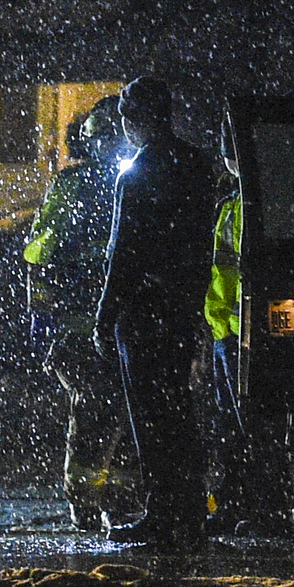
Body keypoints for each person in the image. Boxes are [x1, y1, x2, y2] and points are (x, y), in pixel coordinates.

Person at [95, 76, 221, 549]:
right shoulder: (195, 164)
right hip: (182, 307)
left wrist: (105, 317)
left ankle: (163, 515)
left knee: (151, 416)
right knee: (179, 412)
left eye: (127, 118)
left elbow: (122, 253)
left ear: (138, 119)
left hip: (145, 311)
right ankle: (189, 513)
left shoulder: (138, 171)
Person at [23, 99, 134, 530]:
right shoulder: (77, 187)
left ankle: (114, 501)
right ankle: (90, 503)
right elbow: (41, 251)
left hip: (114, 319)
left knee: (115, 410)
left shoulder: (122, 182)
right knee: (100, 410)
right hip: (85, 323)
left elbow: (39, 251)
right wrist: (44, 311)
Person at [203, 118, 294, 537]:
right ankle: (243, 504)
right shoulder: (250, 204)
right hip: (230, 331)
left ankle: (266, 509)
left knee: (252, 426)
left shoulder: (243, 206)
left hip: (242, 333)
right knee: (237, 427)